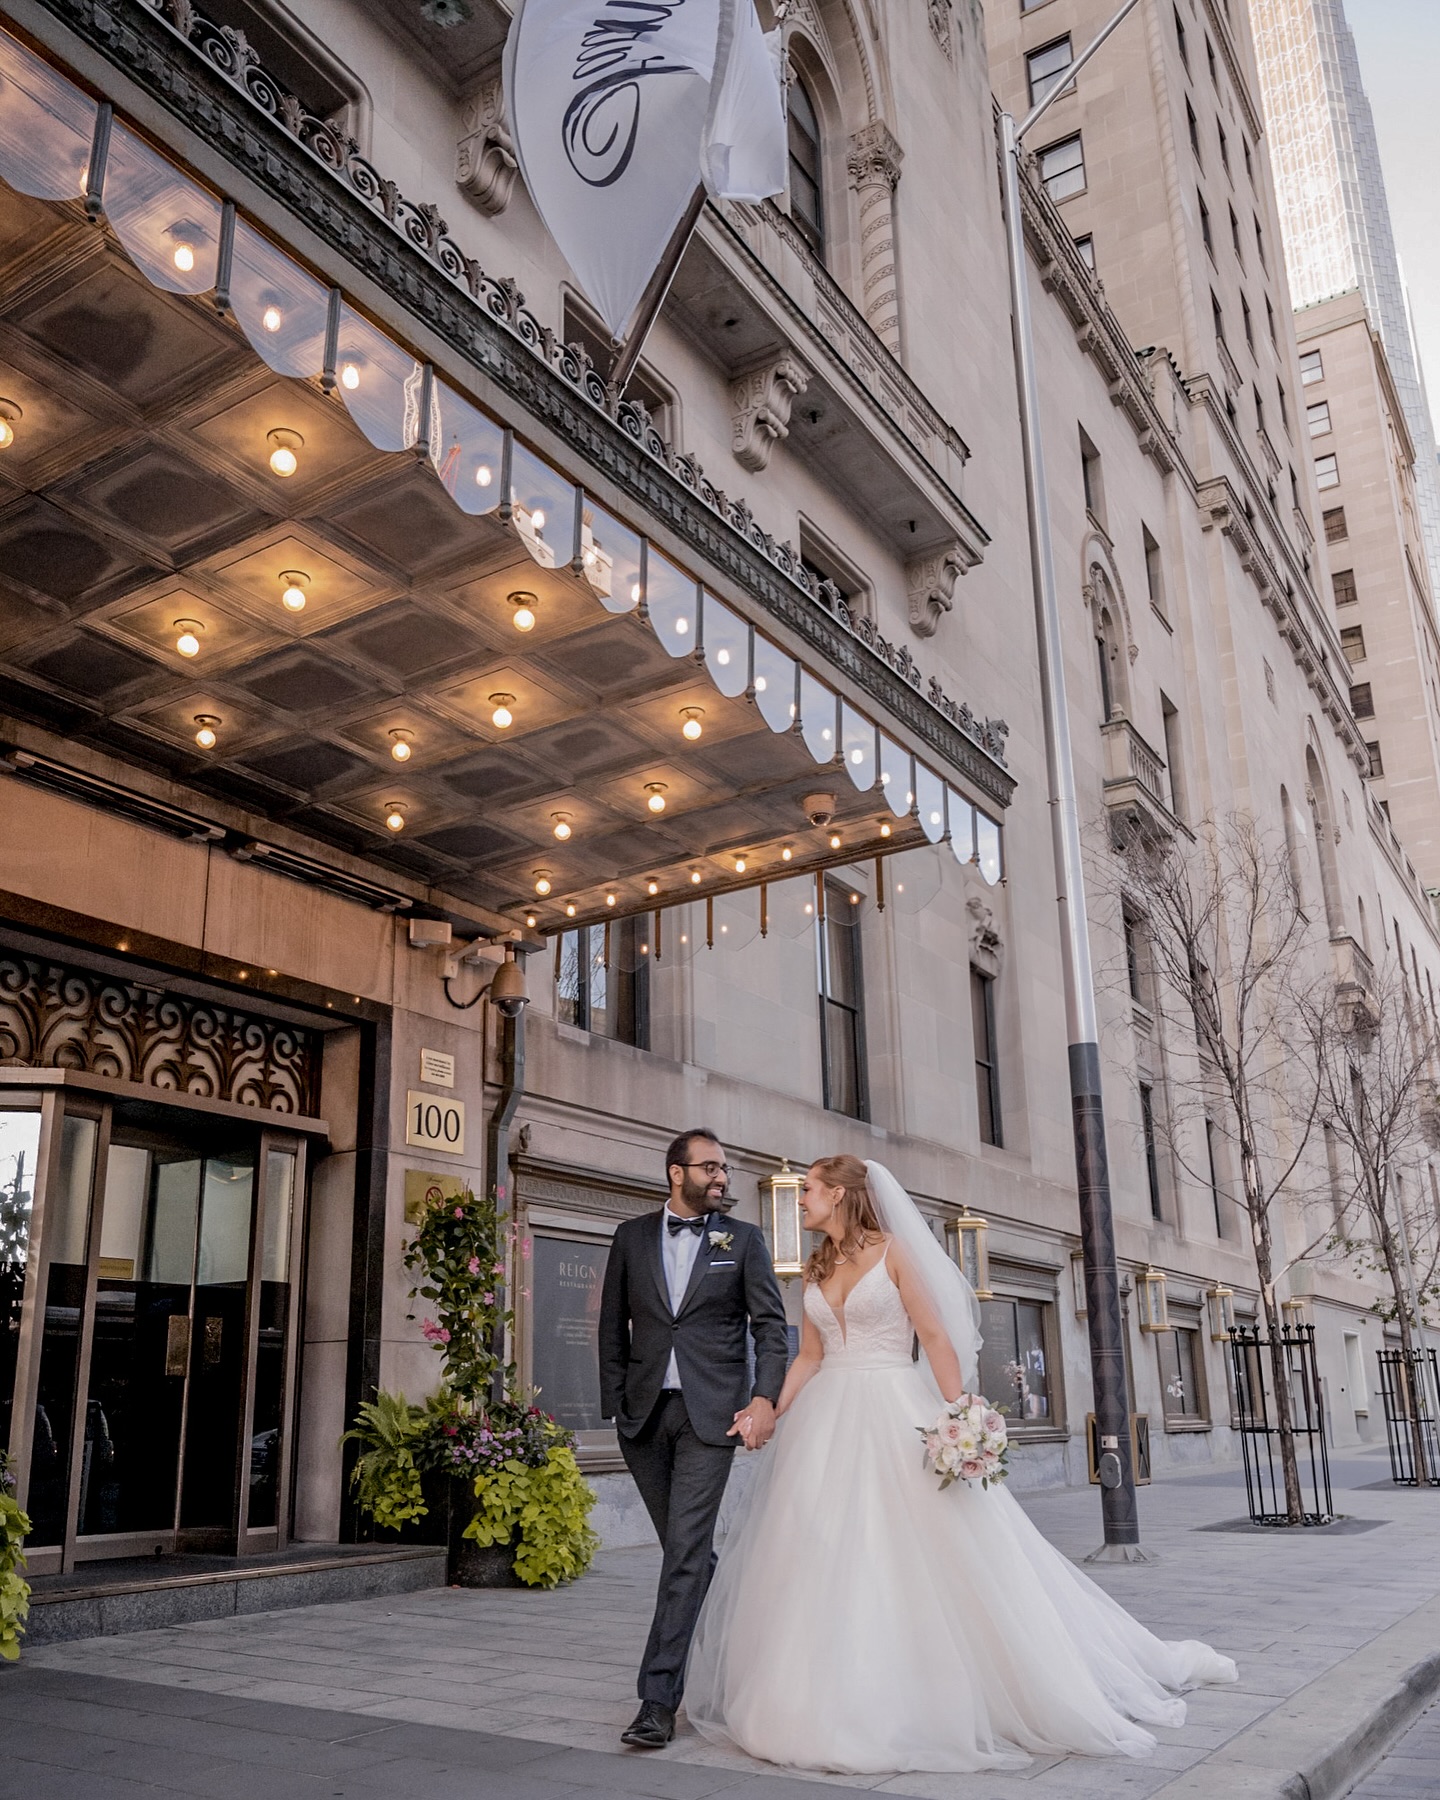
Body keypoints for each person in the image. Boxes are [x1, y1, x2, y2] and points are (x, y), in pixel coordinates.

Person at [684, 1155, 1238, 1775]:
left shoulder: (893, 1251)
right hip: (826, 1420)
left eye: (808, 1190)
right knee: (818, 1549)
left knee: (916, 1547)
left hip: (895, 1408)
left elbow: (938, 1337)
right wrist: (774, 1413)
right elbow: (809, 1355)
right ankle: (809, 1695)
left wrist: (961, 1419)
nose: (801, 1200)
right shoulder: (815, 1266)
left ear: (839, 1195)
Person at [598, 1127, 788, 1750]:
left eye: (725, 1168)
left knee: (681, 1553)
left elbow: (770, 1325)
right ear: (676, 1173)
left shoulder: (745, 1240)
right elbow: (610, 1328)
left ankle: (657, 1701)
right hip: (646, 1419)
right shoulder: (629, 1238)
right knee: (690, 1552)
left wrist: (764, 1399)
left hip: (714, 1418)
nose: (722, 1177)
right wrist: (616, 1408)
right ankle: (714, 1621)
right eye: (710, 1167)